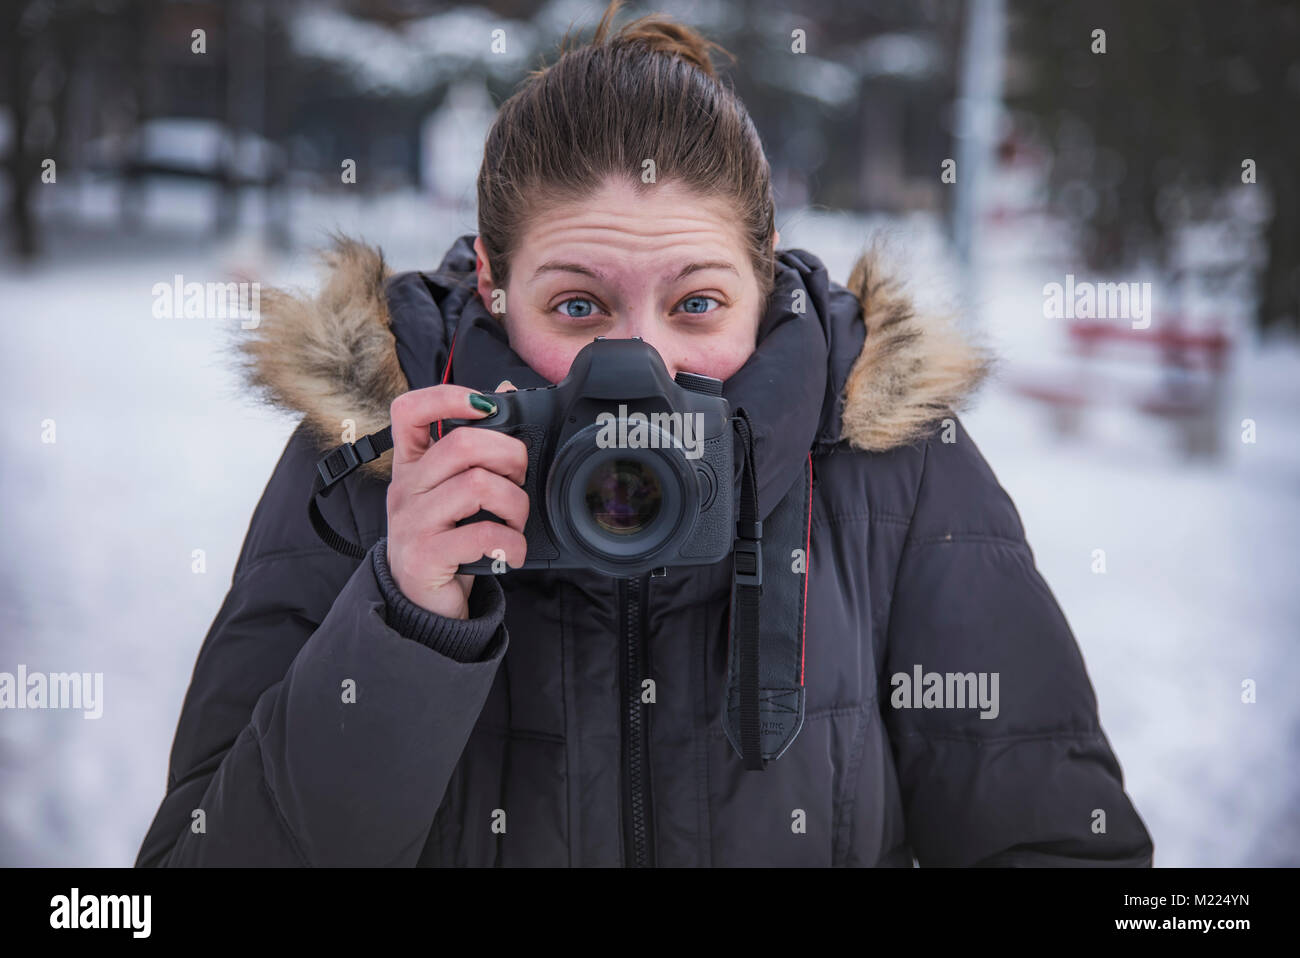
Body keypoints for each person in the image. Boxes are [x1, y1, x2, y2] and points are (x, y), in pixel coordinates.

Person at [136, 1, 1153, 867]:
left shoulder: (886, 464)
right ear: (492, 280)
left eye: (697, 304)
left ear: (765, 279)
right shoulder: (379, 452)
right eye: (577, 307)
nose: (642, 364)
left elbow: (1059, 843)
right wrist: (404, 624)